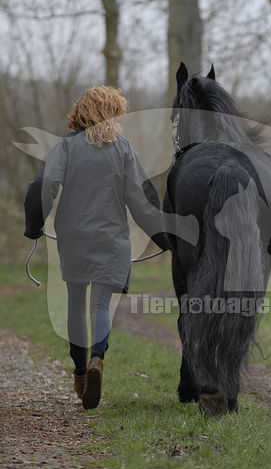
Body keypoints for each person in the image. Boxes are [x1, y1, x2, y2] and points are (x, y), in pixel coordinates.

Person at [23, 86, 176, 409]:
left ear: (81, 111)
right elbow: (140, 197)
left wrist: (34, 224)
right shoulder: (122, 149)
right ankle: (97, 359)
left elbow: (44, 185)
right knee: (100, 305)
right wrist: (163, 237)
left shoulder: (65, 148)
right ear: (113, 113)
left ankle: (80, 374)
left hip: (74, 236)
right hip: (111, 238)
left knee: (76, 304)